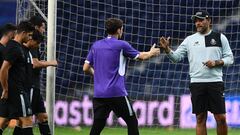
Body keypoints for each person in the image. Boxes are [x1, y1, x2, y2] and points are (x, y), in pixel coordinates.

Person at [160, 11, 233, 135]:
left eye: (200, 20)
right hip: (197, 83)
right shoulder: (189, 40)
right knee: (200, 118)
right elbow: (176, 58)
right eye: (196, 21)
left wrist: (216, 62)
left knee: (221, 118)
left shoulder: (220, 37)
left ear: (209, 20)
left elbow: (230, 58)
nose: (197, 23)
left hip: (215, 83)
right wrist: (167, 50)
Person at [83, 18, 160, 135]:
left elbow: (85, 68)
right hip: (116, 93)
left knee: (98, 126)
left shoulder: (96, 45)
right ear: (119, 30)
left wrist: (97, 75)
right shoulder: (121, 45)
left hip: (99, 94)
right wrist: (151, 52)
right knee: (132, 121)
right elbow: (141, 57)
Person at [0, 21, 35, 135]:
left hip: (15, 89)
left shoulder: (17, 47)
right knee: (27, 120)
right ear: (23, 33)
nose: (30, 38)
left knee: (4, 121)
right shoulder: (14, 48)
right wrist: (5, 89)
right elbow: (4, 69)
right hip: (16, 90)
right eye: (29, 35)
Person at [29, 15, 57, 135]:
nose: (44, 30)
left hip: (35, 86)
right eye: (43, 27)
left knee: (43, 117)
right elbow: (34, 64)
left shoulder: (35, 42)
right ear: (36, 27)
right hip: (29, 86)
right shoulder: (32, 43)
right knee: (24, 121)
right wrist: (51, 63)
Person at [0, 23, 17, 134]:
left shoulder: (4, 49)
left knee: (6, 120)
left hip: (4, 88)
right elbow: (3, 70)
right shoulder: (3, 50)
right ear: (11, 34)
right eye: (15, 33)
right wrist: (5, 89)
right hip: (2, 89)